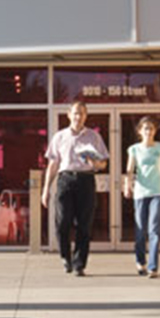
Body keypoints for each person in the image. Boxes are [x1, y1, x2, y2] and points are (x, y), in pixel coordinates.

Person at [42, 99, 108, 274]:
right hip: (65, 180)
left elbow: (103, 165)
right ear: (69, 115)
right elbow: (53, 164)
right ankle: (66, 257)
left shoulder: (94, 137)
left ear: (86, 116)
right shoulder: (60, 136)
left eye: (82, 113)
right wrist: (46, 189)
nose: (78, 116)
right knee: (63, 221)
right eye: (75, 113)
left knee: (84, 225)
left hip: (86, 180)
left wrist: (95, 162)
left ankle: (79, 264)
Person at [124, 115, 160, 276]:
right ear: (140, 131)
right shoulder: (134, 149)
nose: (149, 131)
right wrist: (127, 186)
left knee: (154, 229)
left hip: (157, 192)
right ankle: (140, 262)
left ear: (155, 131)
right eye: (146, 128)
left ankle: (153, 267)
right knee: (140, 230)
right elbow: (130, 170)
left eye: (151, 128)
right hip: (140, 193)